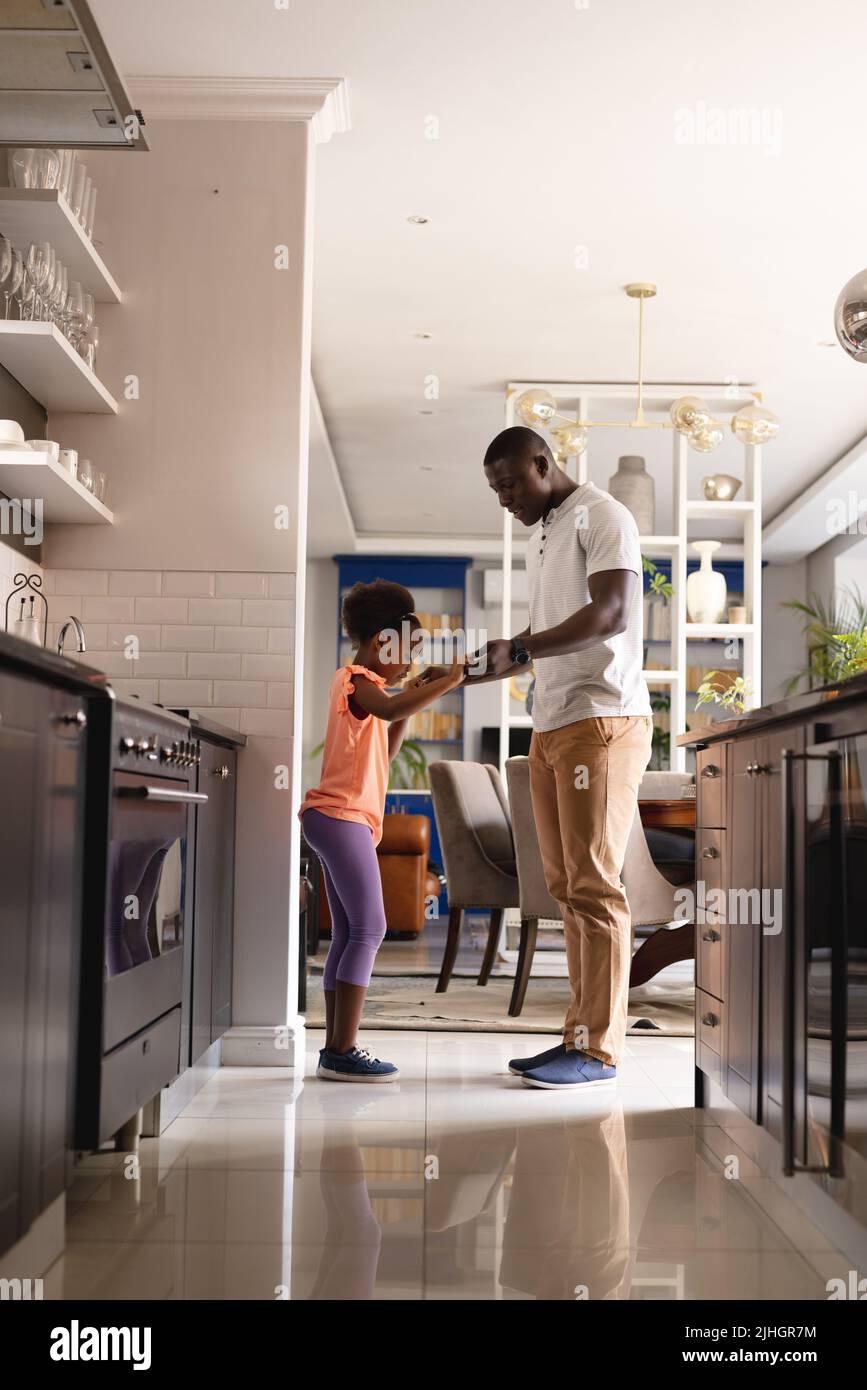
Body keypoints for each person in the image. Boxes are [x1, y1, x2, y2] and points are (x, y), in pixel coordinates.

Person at [467, 426, 653, 1089]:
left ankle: (599, 1051)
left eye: (510, 483)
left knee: (595, 886)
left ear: (544, 464)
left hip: (600, 718)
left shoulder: (604, 514)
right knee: (566, 889)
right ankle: (575, 1036)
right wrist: (503, 654)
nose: (503, 499)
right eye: (495, 488)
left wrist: (520, 650)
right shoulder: (543, 529)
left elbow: (610, 614)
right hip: (550, 723)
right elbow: (555, 629)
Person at [300, 579, 463, 1082]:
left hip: (343, 820)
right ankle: (344, 1048)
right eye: (406, 650)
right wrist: (451, 679)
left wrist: (414, 698)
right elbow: (390, 707)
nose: (411, 661)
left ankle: (334, 1049)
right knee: (371, 927)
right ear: (377, 643)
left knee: (350, 932)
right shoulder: (352, 679)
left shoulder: (371, 694)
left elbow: (388, 743)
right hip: (340, 816)